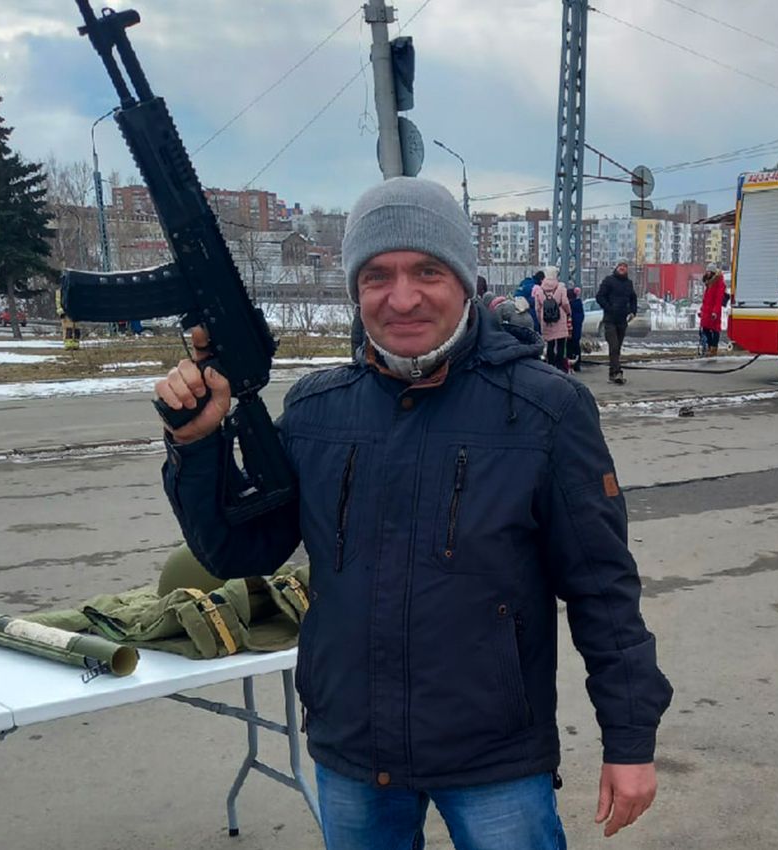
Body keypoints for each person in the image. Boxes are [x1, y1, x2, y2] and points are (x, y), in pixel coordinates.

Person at [156, 177, 671, 850]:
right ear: (356, 289)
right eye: (377, 276)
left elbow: (602, 587)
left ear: (464, 280)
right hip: (352, 750)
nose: (402, 298)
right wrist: (197, 449)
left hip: (493, 757)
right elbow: (237, 552)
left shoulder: (545, 410)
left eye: (427, 271)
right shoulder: (315, 411)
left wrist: (629, 739)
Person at [595, 262, 637, 384]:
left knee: (617, 347)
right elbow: (600, 297)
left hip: (622, 320)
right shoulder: (609, 281)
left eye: (625, 267)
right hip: (610, 319)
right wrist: (609, 308)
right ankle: (617, 372)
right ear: (616, 268)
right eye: (620, 266)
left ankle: (612, 373)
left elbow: (633, 298)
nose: (622, 268)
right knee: (613, 345)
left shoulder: (628, 283)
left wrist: (633, 311)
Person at [533, 266, 571, 372]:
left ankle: (550, 366)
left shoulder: (539, 290)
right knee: (561, 344)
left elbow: (537, 308)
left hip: (546, 321)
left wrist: (541, 319)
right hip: (560, 319)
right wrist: (568, 312)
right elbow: (565, 303)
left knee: (550, 344)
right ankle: (560, 366)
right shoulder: (561, 288)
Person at [699, 263, 726, 358]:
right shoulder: (709, 283)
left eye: (709, 271)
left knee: (715, 329)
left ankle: (713, 348)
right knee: (705, 328)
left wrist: (715, 312)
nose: (707, 273)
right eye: (707, 271)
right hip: (707, 310)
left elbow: (718, 299)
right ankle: (710, 347)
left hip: (714, 311)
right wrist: (702, 310)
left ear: (713, 272)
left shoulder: (719, 284)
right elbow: (706, 299)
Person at [567, 286, 585, 371]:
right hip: (577, 329)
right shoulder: (579, 304)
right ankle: (577, 364)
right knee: (576, 346)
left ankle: (569, 363)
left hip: (570, 330)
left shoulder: (569, 306)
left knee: (569, 346)